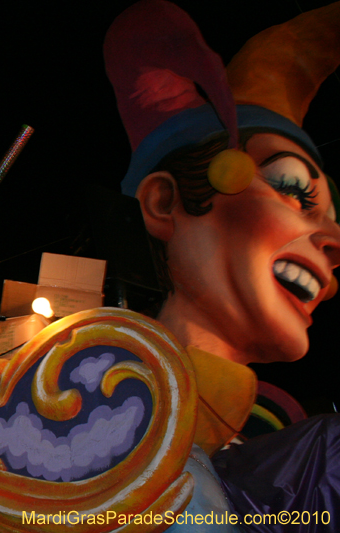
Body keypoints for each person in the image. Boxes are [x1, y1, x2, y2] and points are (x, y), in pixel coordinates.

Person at [105, 0, 339, 528]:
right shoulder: (92, 398)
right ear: (164, 202)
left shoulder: (275, 430)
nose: (332, 240)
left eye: (329, 216)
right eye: (293, 190)